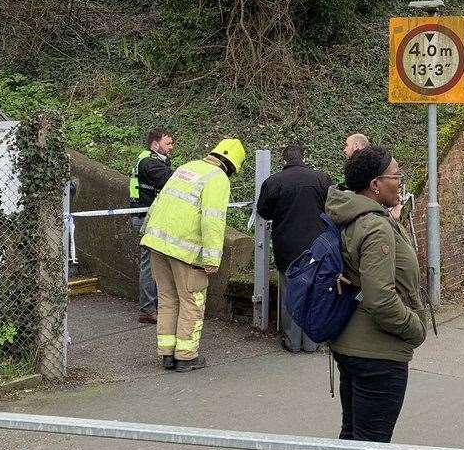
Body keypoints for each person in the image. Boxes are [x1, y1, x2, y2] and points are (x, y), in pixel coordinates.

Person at [326, 146, 427, 450]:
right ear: (375, 185)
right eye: (396, 177)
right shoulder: (376, 227)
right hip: (377, 352)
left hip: (352, 344)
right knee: (371, 442)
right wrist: (414, 328)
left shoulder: (354, 217)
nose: (400, 183)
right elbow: (381, 298)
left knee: (353, 433)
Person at [141, 138, 246, 372]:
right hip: (186, 252)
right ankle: (186, 357)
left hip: (157, 244)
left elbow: (159, 202)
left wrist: (147, 234)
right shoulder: (217, 178)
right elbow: (212, 220)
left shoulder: (186, 167)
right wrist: (211, 258)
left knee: (167, 300)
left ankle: (167, 354)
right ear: (231, 166)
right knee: (192, 302)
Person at [255, 144, 332, 353]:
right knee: (314, 290)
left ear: (284, 160)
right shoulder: (321, 179)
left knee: (290, 291)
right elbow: (332, 208)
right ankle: (311, 342)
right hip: (317, 246)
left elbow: (263, 211)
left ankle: (292, 341)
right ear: (303, 157)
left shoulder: (273, 182)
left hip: (287, 245)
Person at [131, 128, 175, 324]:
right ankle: (148, 309)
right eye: (168, 143)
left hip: (148, 217)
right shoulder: (151, 163)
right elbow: (173, 181)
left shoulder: (148, 160)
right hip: (147, 218)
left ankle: (153, 306)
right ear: (155, 145)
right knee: (150, 265)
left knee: (155, 264)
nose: (171, 147)